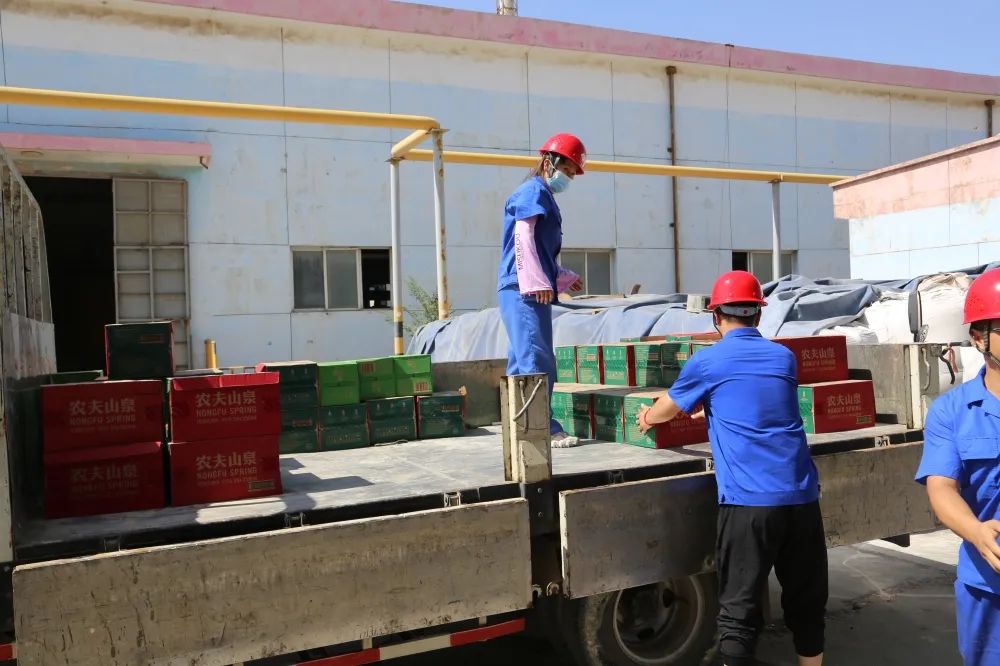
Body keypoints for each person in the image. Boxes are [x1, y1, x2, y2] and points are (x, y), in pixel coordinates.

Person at [636, 270, 827, 666]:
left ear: (715, 317)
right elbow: (759, 400)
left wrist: (647, 417)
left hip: (749, 504)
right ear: (759, 314)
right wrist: (714, 405)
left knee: (738, 613)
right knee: (807, 605)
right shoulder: (783, 357)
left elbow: (667, 409)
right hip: (801, 499)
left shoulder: (707, 361)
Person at [916, 267, 1000, 666]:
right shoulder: (951, 411)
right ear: (978, 338)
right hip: (988, 587)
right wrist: (978, 533)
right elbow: (941, 487)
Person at [497, 133, 586, 448]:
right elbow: (523, 237)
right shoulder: (532, 191)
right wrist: (536, 282)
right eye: (568, 169)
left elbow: (538, 250)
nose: (569, 177)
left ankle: (521, 426)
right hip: (524, 291)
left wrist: (562, 276)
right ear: (549, 162)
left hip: (522, 288)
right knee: (537, 360)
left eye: (573, 173)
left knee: (522, 361)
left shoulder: (543, 195)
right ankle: (543, 428)